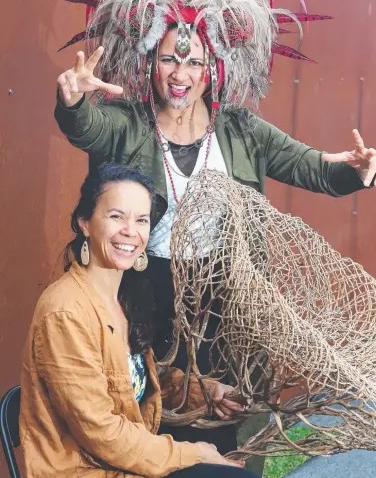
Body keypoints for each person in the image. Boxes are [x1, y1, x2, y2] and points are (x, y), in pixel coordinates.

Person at [47, 0, 376, 457]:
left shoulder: (239, 130)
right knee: (150, 415)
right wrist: (72, 100)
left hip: (223, 294)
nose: (180, 75)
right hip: (144, 288)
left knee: (224, 418)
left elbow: (311, 166)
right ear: (150, 63)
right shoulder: (129, 123)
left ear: (215, 69)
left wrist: (354, 169)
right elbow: (86, 127)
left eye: (194, 63)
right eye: (168, 61)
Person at [20, 163, 254, 478]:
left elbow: (136, 380)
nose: (131, 231)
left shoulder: (123, 298)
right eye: (116, 216)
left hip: (128, 463)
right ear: (85, 223)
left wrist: (207, 392)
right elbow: (102, 433)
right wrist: (194, 453)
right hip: (87, 469)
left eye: (141, 220)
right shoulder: (65, 311)